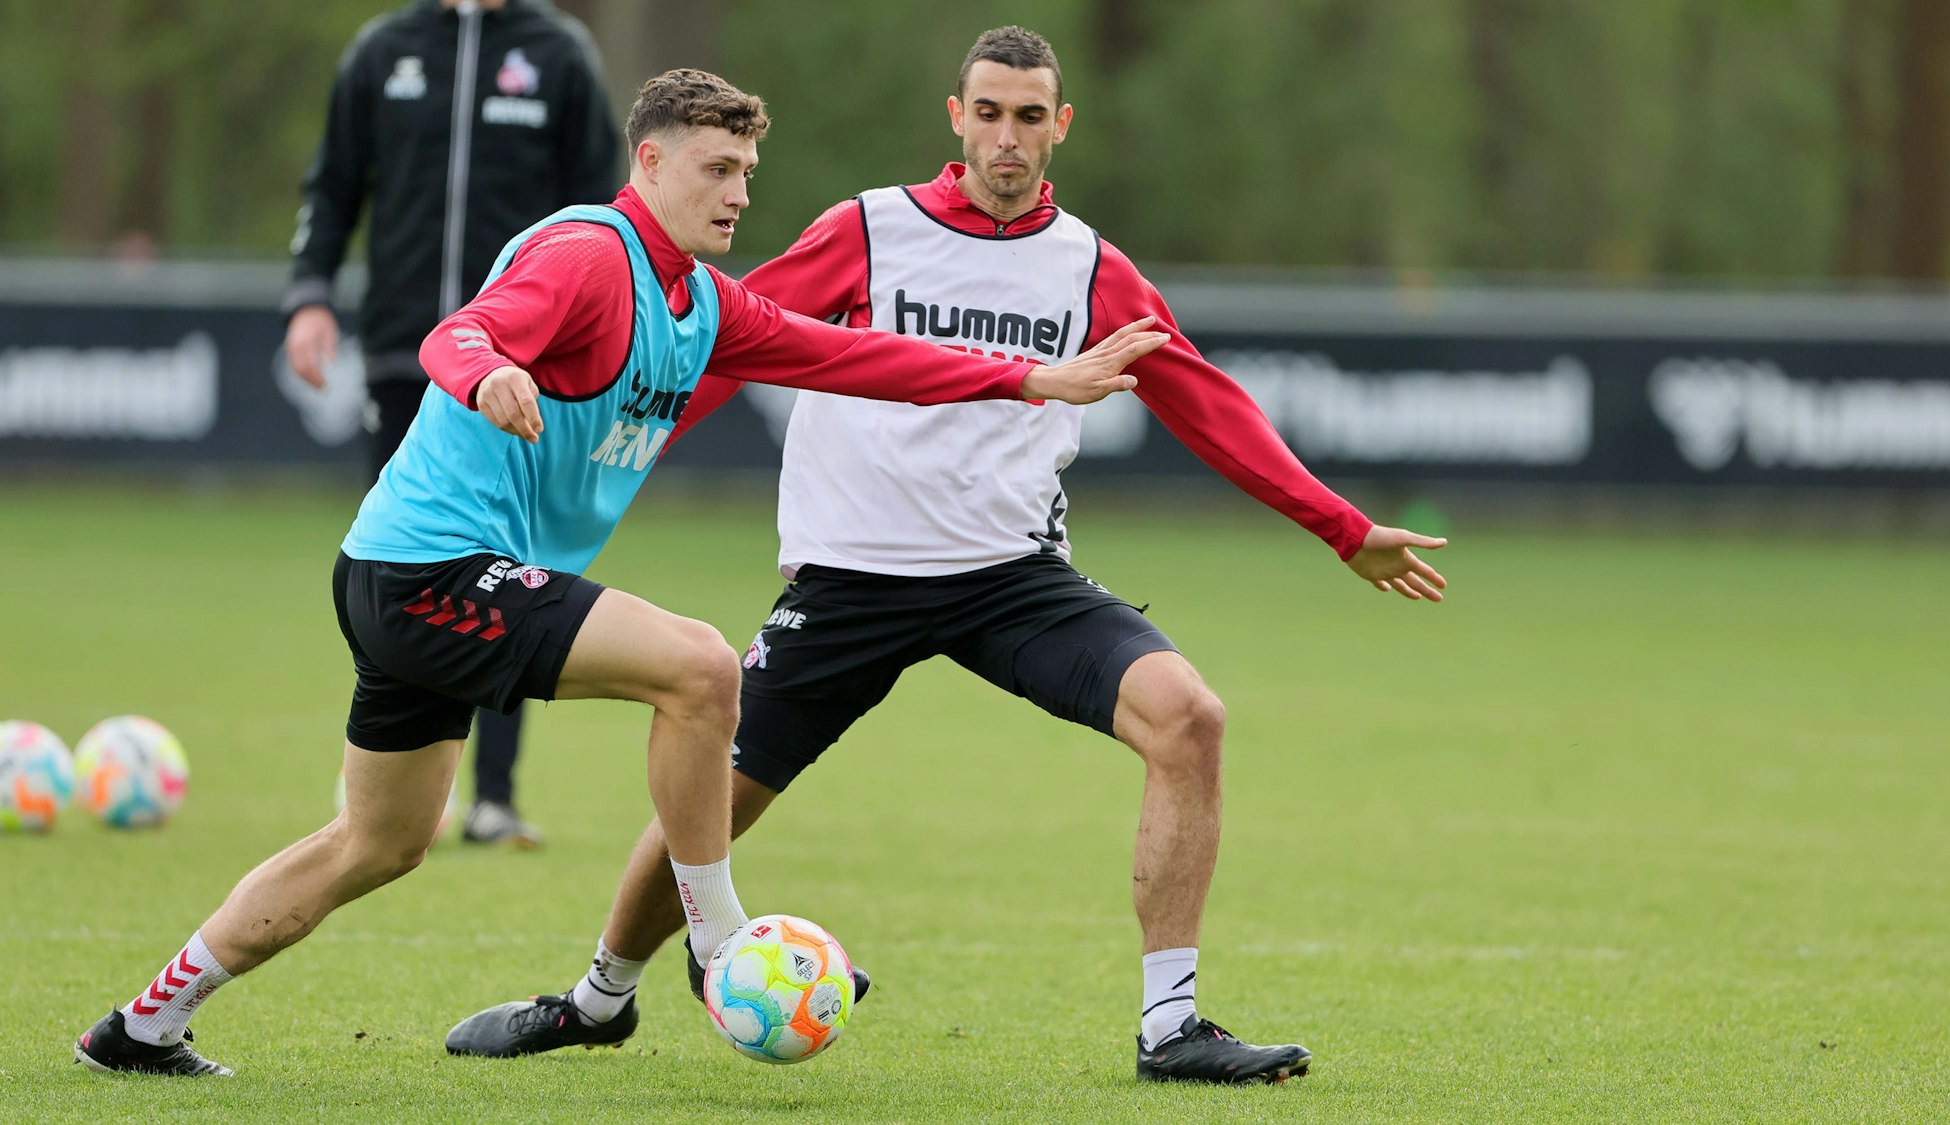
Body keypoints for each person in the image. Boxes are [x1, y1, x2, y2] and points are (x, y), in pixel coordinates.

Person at [72, 67, 1164, 1078]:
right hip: (432, 570)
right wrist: (489, 370)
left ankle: (144, 1023)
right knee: (697, 667)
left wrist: (1028, 381)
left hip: (411, 581)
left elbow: (855, 355)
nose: (737, 194)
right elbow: (461, 334)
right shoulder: (592, 254)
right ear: (649, 163)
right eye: (714, 169)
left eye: (745, 173)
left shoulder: (704, 300)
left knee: (376, 844)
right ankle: (718, 937)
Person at [447, 27, 1449, 1085]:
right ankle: (600, 999)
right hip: (850, 581)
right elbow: (713, 348)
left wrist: (1342, 527)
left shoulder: (1091, 266)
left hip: (1010, 580)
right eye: (987, 112)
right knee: (713, 802)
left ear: (1059, 126)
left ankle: (1170, 1027)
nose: (1006, 137)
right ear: (955, 117)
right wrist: (577, 462)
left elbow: (1204, 402)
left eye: (1028, 116)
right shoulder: (868, 230)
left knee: (1188, 717)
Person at [282, 0, 627, 846]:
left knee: (515, 571)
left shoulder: (559, 53)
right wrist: (310, 293)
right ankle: (396, 780)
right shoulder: (382, 51)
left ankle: (494, 796)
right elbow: (333, 183)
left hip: (526, 364)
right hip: (407, 354)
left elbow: (608, 210)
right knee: (402, 567)